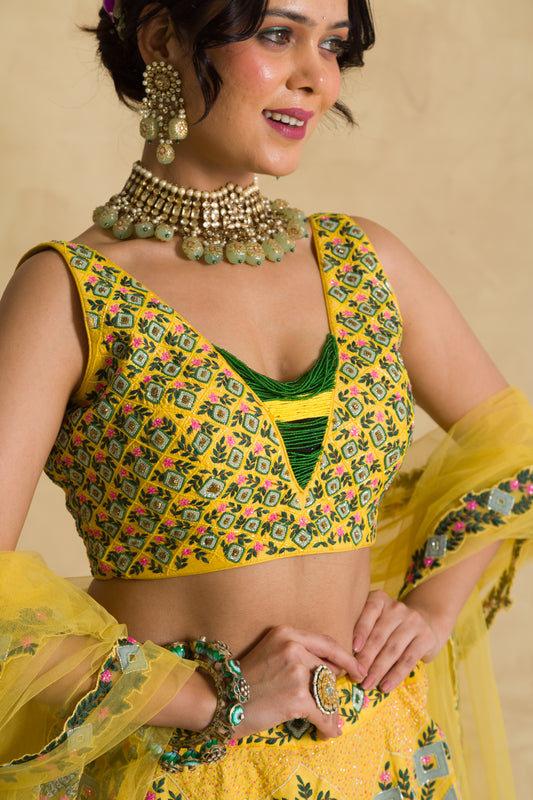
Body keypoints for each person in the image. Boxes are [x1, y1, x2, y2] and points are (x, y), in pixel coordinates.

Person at [0, 1, 532, 798]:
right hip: (175, 769)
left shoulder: (364, 262)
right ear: (159, 39)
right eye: (278, 34)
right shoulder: (71, 290)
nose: (316, 78)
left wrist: (431, 610)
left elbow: (511, 447)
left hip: (386, 759)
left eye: (333, 46)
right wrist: (213, 701)